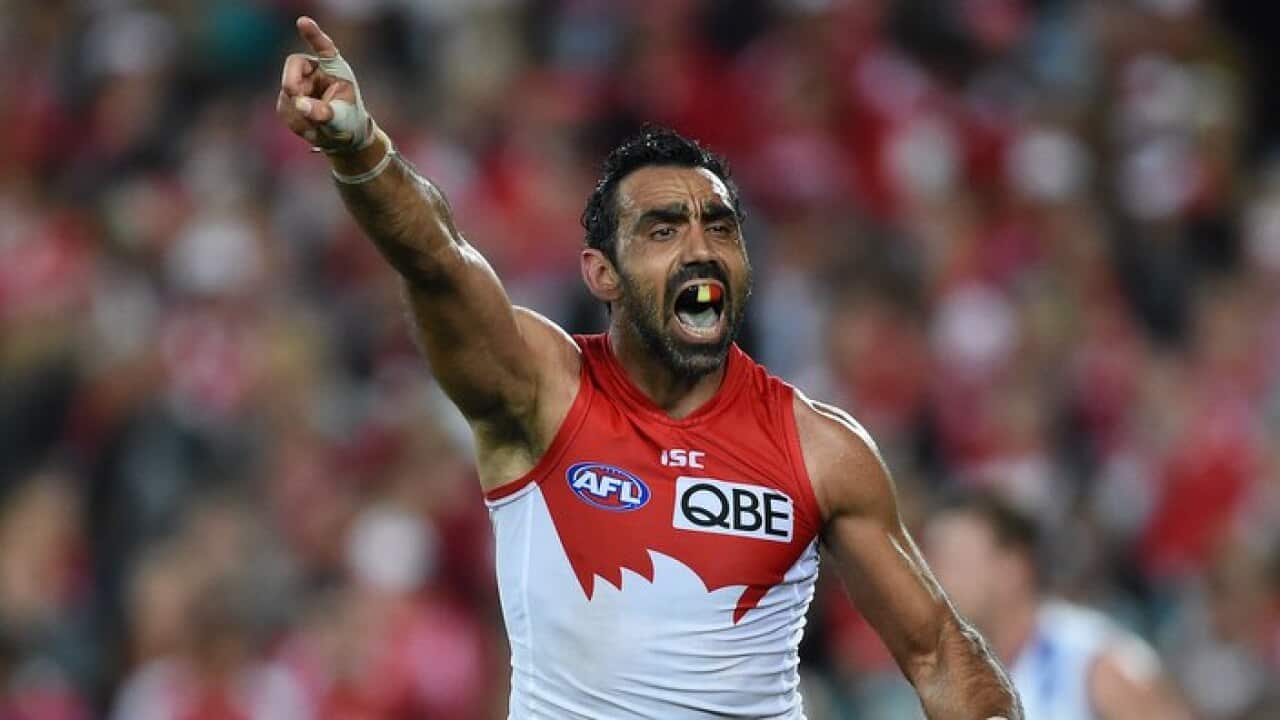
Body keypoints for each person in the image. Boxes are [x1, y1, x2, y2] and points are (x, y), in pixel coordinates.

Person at [275, 16, 1022, 719]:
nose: (700, 248)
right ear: (602, 273)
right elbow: (436, 262)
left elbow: (940, 657)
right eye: (664, 229)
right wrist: (361, 149)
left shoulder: (822, 448)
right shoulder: (543, 391)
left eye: (720, 227)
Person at [923, 490, 1192, 720]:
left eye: (956, 561)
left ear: (1012, 569)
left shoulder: (1092, 662)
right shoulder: (948, 682)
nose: (936, 576)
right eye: (932, 560)